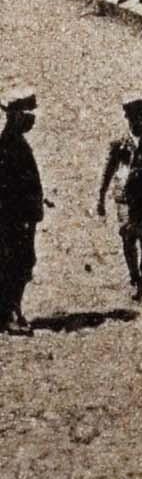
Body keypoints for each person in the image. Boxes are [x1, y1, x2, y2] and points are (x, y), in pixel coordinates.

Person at [97, 98, 142, 301]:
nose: (138, 123)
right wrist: (101, 198)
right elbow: (107, 172)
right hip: (125, 196)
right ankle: (134, 277)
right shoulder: (119, 144)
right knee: (128, 236)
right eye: (135, 118)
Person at [0, 90, 44, 334]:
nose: (32, 120)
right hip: (15, 219)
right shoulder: (9, 145)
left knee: (20, 262)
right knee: (17, 263)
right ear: (15, 116)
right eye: (28, 115)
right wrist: (24, 216)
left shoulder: (15, 142)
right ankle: (9, 315)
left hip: (20, 217)